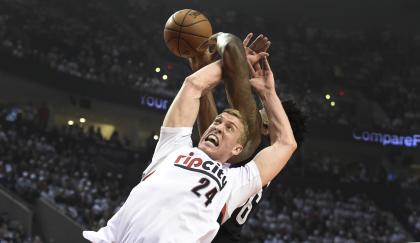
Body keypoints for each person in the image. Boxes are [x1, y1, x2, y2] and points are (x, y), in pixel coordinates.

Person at [82, 32, 297, 243]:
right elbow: (193, 85)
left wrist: (268, 93)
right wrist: (232, 62)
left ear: (238, 149)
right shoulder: (175, 148)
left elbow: (286, 143)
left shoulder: (236, 181)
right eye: (217, 121)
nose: (218, 127)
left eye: (229, 127)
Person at [189, 33, 306, 242]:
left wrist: (236, 64)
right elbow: (210, 131)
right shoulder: (267, 156)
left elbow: (238, 95)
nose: (254, 111)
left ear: (270, 125)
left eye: (261, 110)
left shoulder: (257, 142)